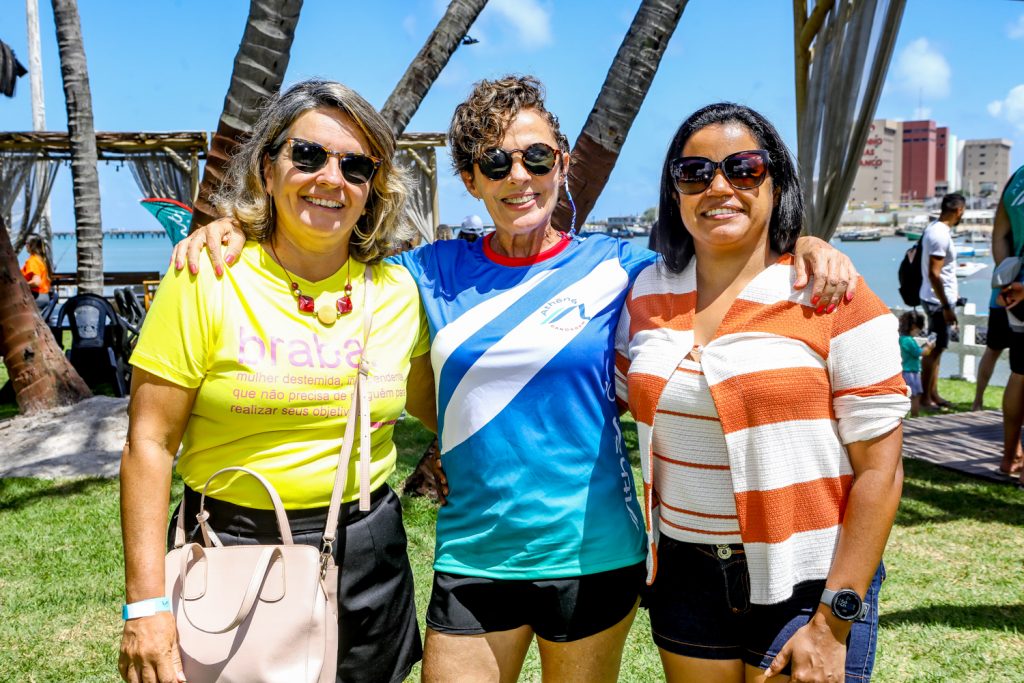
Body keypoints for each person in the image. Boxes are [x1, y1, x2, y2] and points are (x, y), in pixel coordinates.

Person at [176, 75, 859, 682]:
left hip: (595, 553)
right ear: (471, 179)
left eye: (536, 158)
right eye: (494, 162)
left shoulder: (624, 268)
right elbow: (324, 255)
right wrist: (233, 229)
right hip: (475, 556)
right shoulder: (428, 273)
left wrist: (803, 245)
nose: (519, 177)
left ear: (562, 164)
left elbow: (725, 254)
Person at [118, 79, 435, 683]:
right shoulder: (207, 276)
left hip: (370, 549)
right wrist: (146, 604)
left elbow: (438, 405)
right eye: (308, 155)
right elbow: (148, 445)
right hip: (235, 545)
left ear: (373, 190)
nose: (330, 178)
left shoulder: (398, 292)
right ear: (268, 169)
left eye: (356, 166)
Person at [616, 102, 909, 682]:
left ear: (776, 183)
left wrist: (833, 621)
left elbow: (882, 471)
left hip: (807, 577)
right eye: (694, 173)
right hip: (685, 571)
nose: (718, 186)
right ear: (674, 191)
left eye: (743, 168)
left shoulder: (831, 294)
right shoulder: (644, 292)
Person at [992, 164, 1024, 481]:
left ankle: (1010, 455)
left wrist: (1009, 279)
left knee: (1019, 371)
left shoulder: (1016, 178)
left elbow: (999, 235)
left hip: (1014, 292)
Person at [919, 193, 966, 410]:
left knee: (938, 349)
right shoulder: (939, 234)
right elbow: (934, 274)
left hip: (936, 298)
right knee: (934, 349)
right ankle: (925, 398)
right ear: (959, 210)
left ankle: (933, 393)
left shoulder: (935, 229)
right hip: (937, 301)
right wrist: (947, 306)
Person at [899, 310, 933, 417]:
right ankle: (915, 416)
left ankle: (904, 416)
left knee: (905, 396)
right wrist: (929, 347)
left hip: (903, 371)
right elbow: (919, 353)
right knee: (915, 396)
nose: (919, 332)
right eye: (919, 329)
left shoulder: (902, 339)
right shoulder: (909, 340)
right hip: (911, 373)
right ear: (914, 326)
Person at [20, 233, 53, 309]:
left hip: (36, 297)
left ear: (31, 245)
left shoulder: (33, 261)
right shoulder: (42, 259)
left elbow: (36, 282)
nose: (25, 245)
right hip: (44, 296)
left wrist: (20, 286)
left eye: (26, 243)